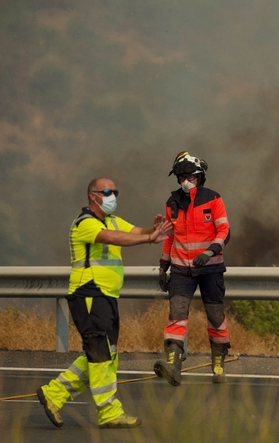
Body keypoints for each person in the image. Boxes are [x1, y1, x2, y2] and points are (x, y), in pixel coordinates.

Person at [36, 177, 172, 429]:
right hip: (89, 294)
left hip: (106, 296)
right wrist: (150, 239)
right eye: (108, 192)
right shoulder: (84, 223)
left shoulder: (111, 219)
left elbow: (133, 231)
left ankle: (54, 394)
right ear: (93, 195)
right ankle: (108, 411)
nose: (113, 196)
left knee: (104, 354)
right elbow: (115, 238)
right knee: (100, 355)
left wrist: (151, 229)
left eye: (115, 191)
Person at [154, 151, 231, 386]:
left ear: (200, 177)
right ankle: (173, 365)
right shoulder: (172, 203)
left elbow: (224, 231)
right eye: (181, 177)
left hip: (210, 269)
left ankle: (218, 363)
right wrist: (163, 266)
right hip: (180, 270)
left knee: (216, 317)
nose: (185, 181)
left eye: (190, 176)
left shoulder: (213, 199)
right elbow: (169, 237)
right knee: (176, 315)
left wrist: (208, 253)